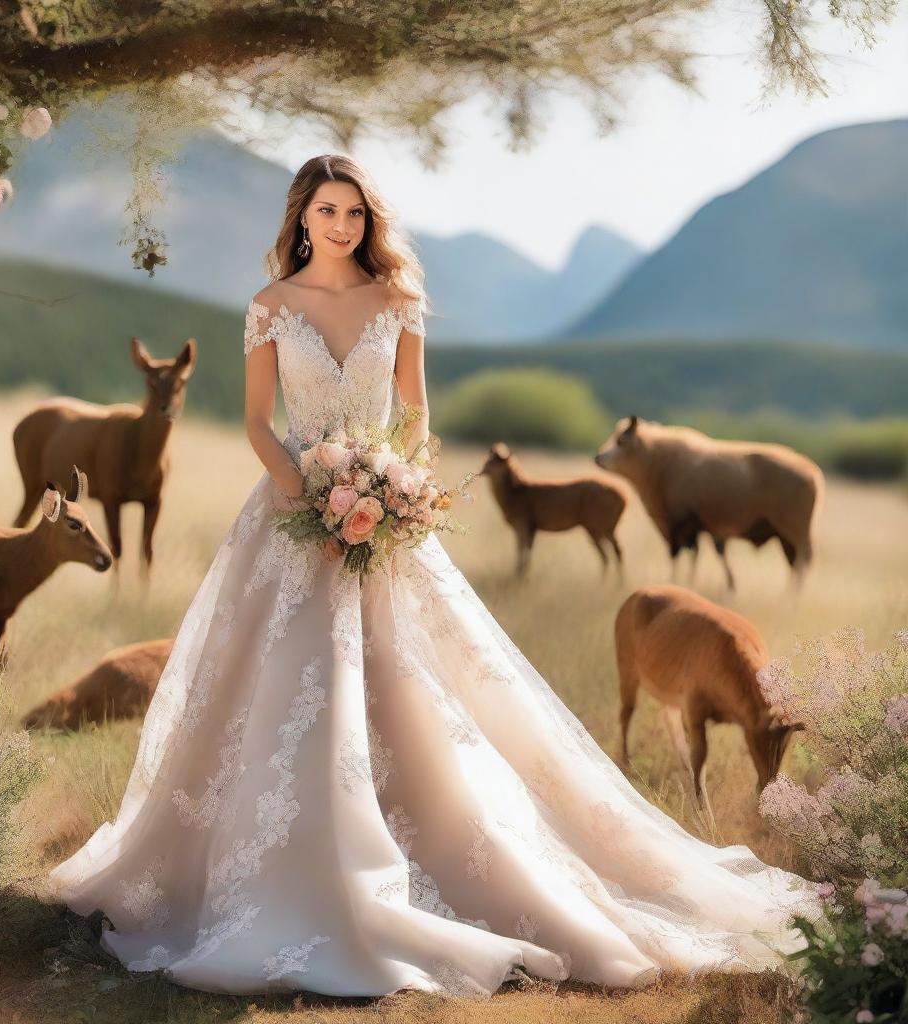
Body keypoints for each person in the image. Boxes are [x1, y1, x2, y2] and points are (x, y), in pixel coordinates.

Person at [43, 153, 823, 999]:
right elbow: (259, 424)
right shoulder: (268, 308)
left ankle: (432, 855)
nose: (340, 226)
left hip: (386, 522)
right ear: (300, 216)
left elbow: (416, 418)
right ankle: (265, 874)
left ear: (367, 220)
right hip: (290, 517)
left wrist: (398, 492)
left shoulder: (399, 301)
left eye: (354, 213)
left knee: (422, 694)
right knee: (273, 693)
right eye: (326, 211)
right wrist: (298, 485)